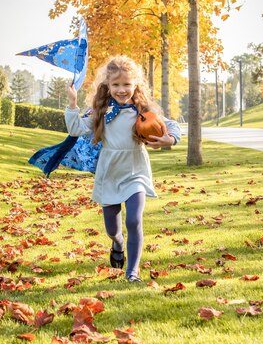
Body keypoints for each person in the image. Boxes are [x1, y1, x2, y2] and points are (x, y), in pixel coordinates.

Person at [65, 55, 181, 283]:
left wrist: (171, 139)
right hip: (109, 171)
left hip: (135, 170)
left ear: (135, 84)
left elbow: (172, 126)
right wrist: (72, 104)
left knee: (134, 221)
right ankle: (117, 242)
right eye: (116, 85)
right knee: (112, 227)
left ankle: (132, 272)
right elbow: (76, 128)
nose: (121, 90)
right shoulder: (101, 110)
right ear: (107, 85)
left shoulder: (143, 109)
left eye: (126, 84)